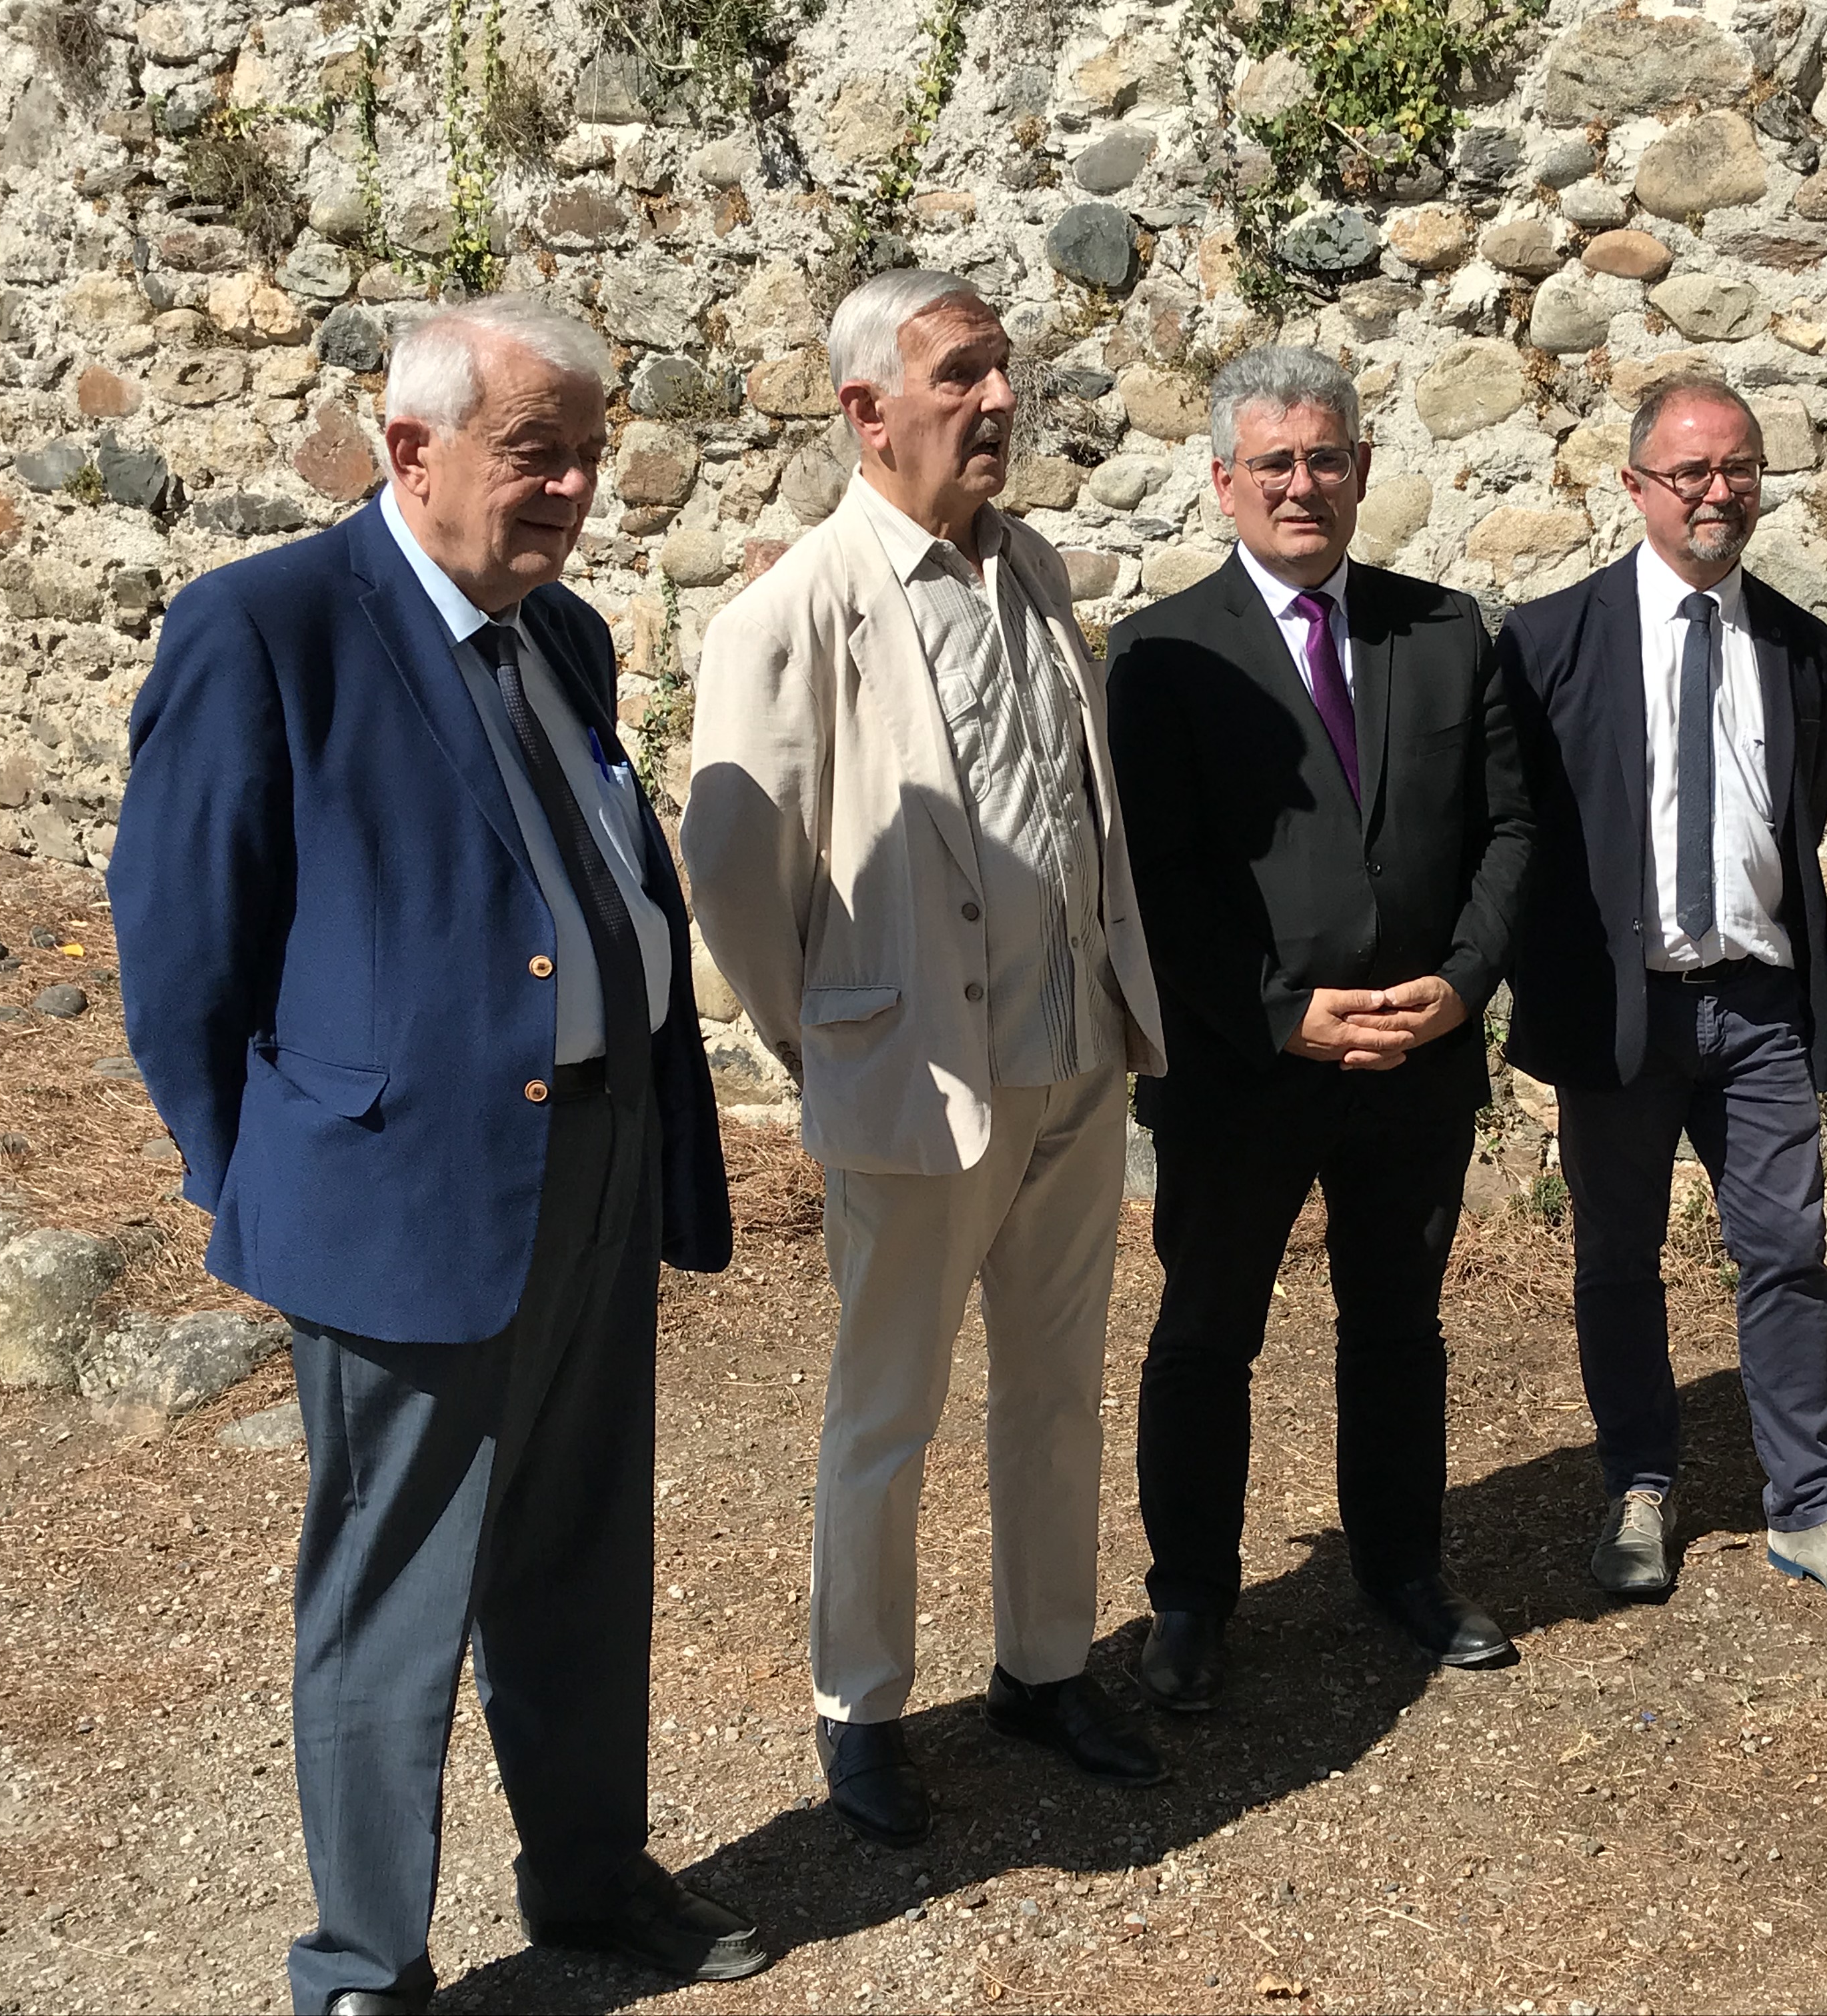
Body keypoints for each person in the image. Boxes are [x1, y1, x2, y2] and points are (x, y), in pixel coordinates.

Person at [109, 296, 766, 2016]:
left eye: (586, 459)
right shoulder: (265, 629)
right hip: (398, 1193)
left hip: (600, 1151)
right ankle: (364, 1966)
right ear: (412, 450)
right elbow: (181, 949)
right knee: (392, 1593)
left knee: (580, 1547)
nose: (568, 492)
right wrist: (258, 1172)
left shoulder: (567, 636)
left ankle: (590, 1876)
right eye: (533, 453)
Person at [683, 269, 1172, 1849]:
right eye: (961, 374)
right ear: (864, 411)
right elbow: (734, 873)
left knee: (1057, 1390)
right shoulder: (794, 610)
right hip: (918, 1082)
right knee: (886, 1408)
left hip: (1073, 1059)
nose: (1000, 400)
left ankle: (1043, 1666)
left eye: (1004, 369)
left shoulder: (1029, 568)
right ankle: (863, 1707)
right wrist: (828, 1033)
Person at [1103, 347, 1536, 1708]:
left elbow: (1515, 829)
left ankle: (1403, 1572)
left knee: (1398, 1328)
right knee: (1206, 1332)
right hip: (1245, 1070)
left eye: (1328, 458)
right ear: (1225, 481)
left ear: (1360, 470)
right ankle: (1190, 1606)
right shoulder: (1163, 652)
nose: (1306, 485)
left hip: (1414, 1057)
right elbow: (1151, 882)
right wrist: (1278, 1015)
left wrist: (1465, 980)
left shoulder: (1447, 631)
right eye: (1276, 464)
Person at [1500, 375, 1827, 1625]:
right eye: (1689, 471)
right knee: (1618, 1261)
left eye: (1738, 468)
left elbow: (1797, 821)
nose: (1717, 492)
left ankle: (1808, 1510)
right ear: (1635, 486)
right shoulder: (1549, 639)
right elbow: (1519, 832)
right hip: (1625, 1012)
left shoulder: (1800, 644)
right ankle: (1640, 1484)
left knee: (1788, 1254)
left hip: (1757, 1006)